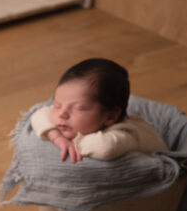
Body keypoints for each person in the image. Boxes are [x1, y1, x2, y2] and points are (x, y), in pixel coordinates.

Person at [30, 58, 166, 163]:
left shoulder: (125, 135)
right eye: (57, 105)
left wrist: (74, 143)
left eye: (78, 108)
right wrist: (56, 136)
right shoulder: (72, 117)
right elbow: (38, 114)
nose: (62, 114)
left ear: (110, 117)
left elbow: (106, 148)